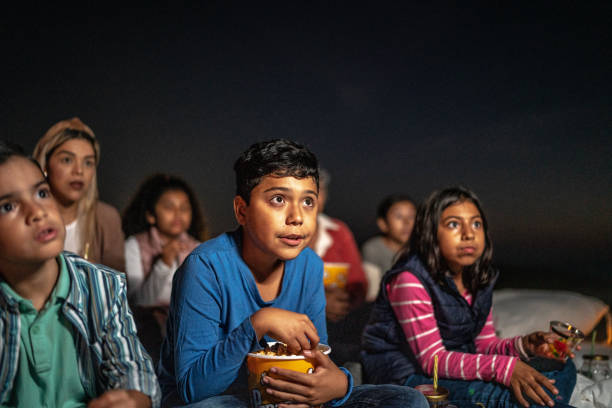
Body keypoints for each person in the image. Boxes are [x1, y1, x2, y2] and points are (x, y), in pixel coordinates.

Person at [157, 139, 428, 408]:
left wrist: (338, 385)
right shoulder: (205, 267)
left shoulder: (309, 265)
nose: (297, 216)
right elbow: (193, 389)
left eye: (308, 202)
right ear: (242, 211)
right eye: (278, 199)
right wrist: (259, 323)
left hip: (288, 397)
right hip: (226, 400)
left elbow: (316, 357)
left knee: (407, 399)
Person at [361, 186, 577, 408]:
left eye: (476, 224)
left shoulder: (476, 278)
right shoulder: (409, 279)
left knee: (560, 365)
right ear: (430, 231)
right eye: (454, 224)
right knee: (509, 396)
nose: (469, 233)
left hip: (454, 365)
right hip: (405, 377)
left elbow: (485, 345)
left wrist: (526, 346)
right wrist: (505, 369)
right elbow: (432, 361)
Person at [0, 141, 160, 407]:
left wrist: (133, 398)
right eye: (8, 207)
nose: (37, 212)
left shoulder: (102, 285)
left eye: (41, 193)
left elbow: (132, 366)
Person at [33, 117, 125, 271]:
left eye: (88, 162)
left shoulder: (106, 218)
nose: (79, 171)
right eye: (67, 160)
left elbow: (118, 289)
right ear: (45, 165)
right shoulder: (28, 217)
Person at [122, 173, 207, 307]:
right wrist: (164, 263)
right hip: (147, 325)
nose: (178, 214)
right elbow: (138, 302)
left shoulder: (199, 249)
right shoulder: (134, 246)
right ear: (151, 215)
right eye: (169, 207)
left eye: (184, 208)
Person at [309, 169, 367, 323]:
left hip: (337, 321)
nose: (311, 197)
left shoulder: (339, 231)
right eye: (305, 190)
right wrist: (318, 304)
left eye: (318, 191)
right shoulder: (274, 233)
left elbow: (359, 283)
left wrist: (341, 302)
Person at [362, 194, 416, 274]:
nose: (407, 222)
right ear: (383, 224)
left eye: (411, 216)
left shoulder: (421, 249)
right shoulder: (373, 250)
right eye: (399, 216)